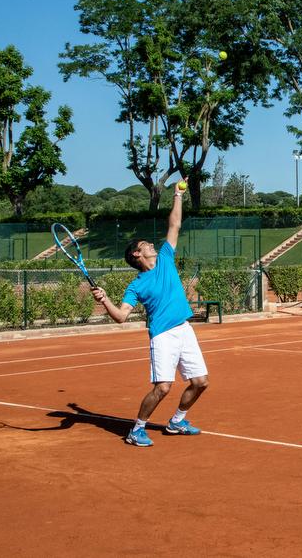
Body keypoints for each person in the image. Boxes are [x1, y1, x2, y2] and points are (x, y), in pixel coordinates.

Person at [91, 181, 208, 447]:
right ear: (137, 254)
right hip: (163, 336)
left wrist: (178, 195)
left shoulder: (166, 257)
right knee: (163, 387)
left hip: (184, 329)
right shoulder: (136, 285)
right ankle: (136, 429)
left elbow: (174, 225)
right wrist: (105, 299)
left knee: (200, 382)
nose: (151, 245)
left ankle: (177, 421)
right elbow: (121, 316)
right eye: (145, 244)